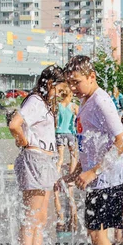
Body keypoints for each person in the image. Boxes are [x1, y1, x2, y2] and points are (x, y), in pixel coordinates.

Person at [62, 55, 123, 245]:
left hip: (107, 178)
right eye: (70, 83)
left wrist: (92, 171)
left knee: (99, 236)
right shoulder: (87, 100)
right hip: (100, 176)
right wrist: (79, 169)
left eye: (77, 82)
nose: (73, 87)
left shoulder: (101, 101)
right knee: (97, 235)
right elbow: (92, 141)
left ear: (92, 77)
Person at [8, 65, 64, 245]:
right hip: (35, 159)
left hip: (45, 160)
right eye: (60, 87)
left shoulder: (45, 104)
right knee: (31, 220)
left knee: (40, 219)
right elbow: (14, 124)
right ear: (50, 83)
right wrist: (23, 141)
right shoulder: (36, 102)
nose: (62, 92)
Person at [54, 86, 79, 231]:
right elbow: (78, 119)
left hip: (59, 133)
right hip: (70, 133)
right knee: (73, 156)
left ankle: (56, 175)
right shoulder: (73, 106)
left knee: (61, 157)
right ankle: (71, 178)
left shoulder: (58, 106)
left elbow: (56, 119)